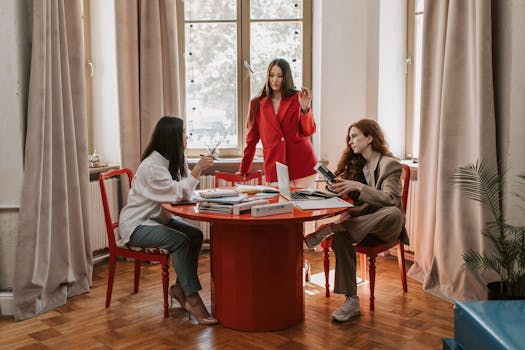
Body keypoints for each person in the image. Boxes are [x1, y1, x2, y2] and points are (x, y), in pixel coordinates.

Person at [304, 119, 409, 322]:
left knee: (394, 213)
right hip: (364, 224)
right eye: (349, 137)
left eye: (355, 136)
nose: (350, 141)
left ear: (369, 138)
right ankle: (351, 301)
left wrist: (360, 188)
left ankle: (334, 227)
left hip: (388, 225)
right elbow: (360, 203)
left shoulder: (390, 164)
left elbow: (391, 200)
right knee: (341, 236)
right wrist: (342, 199)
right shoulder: (360, 166)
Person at [118, 116, 218, 325]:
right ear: (173, 137)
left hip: (156, 219)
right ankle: (191, 298)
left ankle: (180, 289)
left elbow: (185, 189)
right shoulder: (152, 167)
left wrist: (190, 170)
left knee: (195, 235)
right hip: (137, 224)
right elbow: (179, 194)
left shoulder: (171, 160)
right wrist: (198, 170)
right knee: (180, 241)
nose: (187, 137)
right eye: (183, 133)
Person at [239, 58, 318, 188]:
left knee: (304, 207)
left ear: (286, 78)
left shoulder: (298, 97)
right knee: (278, 207)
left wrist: (305, 109)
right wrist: (244, 169)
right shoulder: (256, 104)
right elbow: (251, 140)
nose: (275, 80)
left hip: (303, 164)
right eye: (271, 75)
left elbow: (309, 131)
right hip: (275, 166)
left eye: (280, 76)